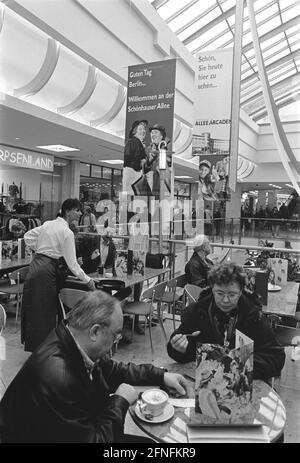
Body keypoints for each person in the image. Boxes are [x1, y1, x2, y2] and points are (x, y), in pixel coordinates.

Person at [0, 290, 188, 443]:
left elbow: (114, 370)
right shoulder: (57, 377)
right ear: (95, 331)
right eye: (116, 335)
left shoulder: (75, 340)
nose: (117, 341)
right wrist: (119, 401)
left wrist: (160, 375)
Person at [167, 262, 285, 382]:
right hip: (206, 385)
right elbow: (181, 349)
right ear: (212, 289)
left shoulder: (253, 316)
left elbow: (276, 358)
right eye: (219, 293)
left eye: (232, 294)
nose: (225, 300)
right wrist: (178, 349)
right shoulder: (198, 312)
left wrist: (238, 365)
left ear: (240, 292)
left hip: (241, 387)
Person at [21, 198, 95, 353]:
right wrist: (88, 280)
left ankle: (37, 348)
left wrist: (41, 248)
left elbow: (27, 237)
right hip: (46, 270)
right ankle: (45, 351)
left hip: (35, 266)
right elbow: (73, 264)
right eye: (77, 210)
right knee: (45, 311)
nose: (80, 213)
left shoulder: (48, 224)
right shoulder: (66, 232)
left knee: (34, 308)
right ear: (68, 211)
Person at [123, 120, 149, 195]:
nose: (143, 131)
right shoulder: (133, 142)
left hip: (136, 175)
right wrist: (141, 161)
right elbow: (128, 159)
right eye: (140, 129)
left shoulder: (139, 143)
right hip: (133, 175)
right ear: (134, 131)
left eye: (144, 129)